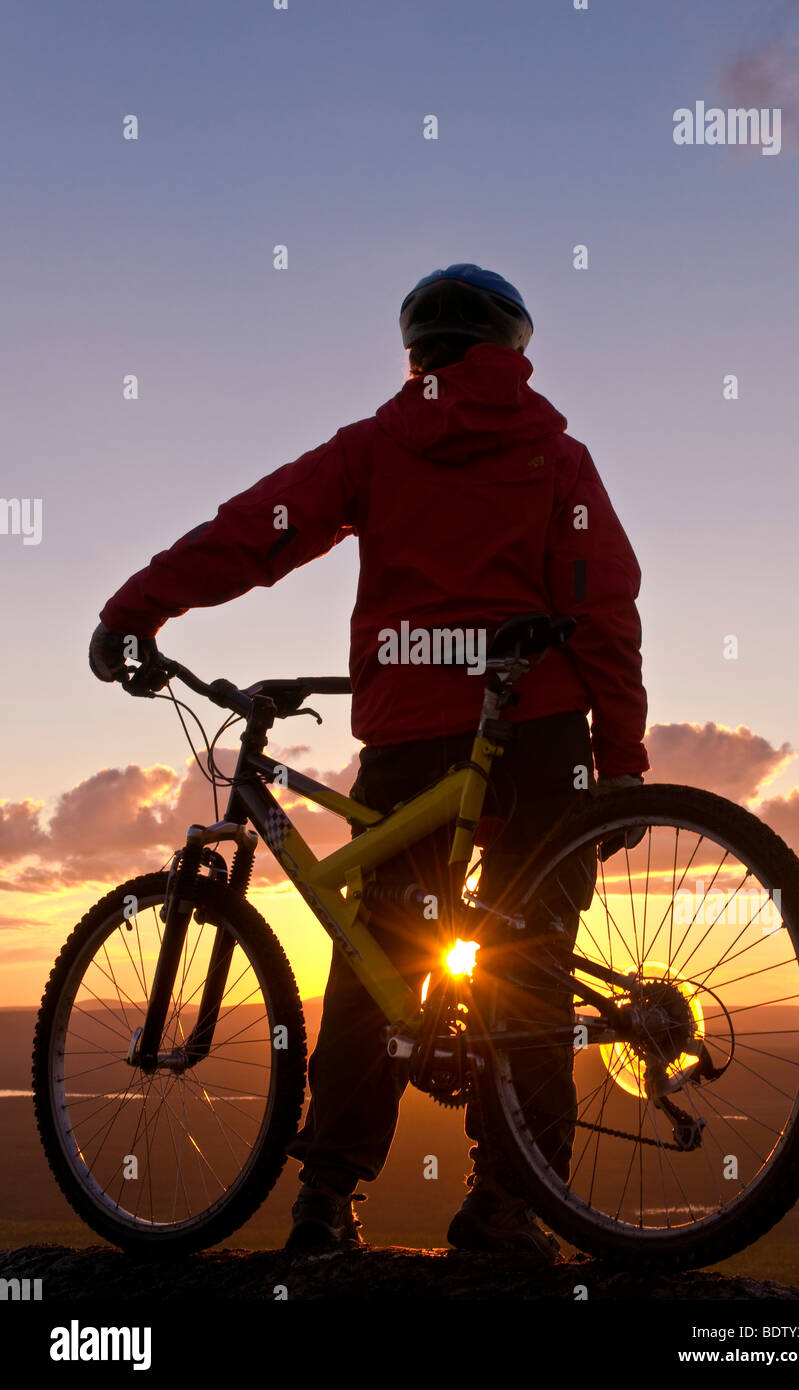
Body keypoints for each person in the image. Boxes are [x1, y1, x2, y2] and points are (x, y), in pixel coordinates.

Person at [89, 262, 649, 1262]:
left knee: (375, 956)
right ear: (511, 349)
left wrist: (137, 606)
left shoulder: (374, 449)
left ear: (415, 354)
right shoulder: (556, 456)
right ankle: (508, 1210)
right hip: (543, 725)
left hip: (410, 734)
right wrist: (620, 755)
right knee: (530, 964)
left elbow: (251, 534)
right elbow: (603, 603)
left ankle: (324, 1199)